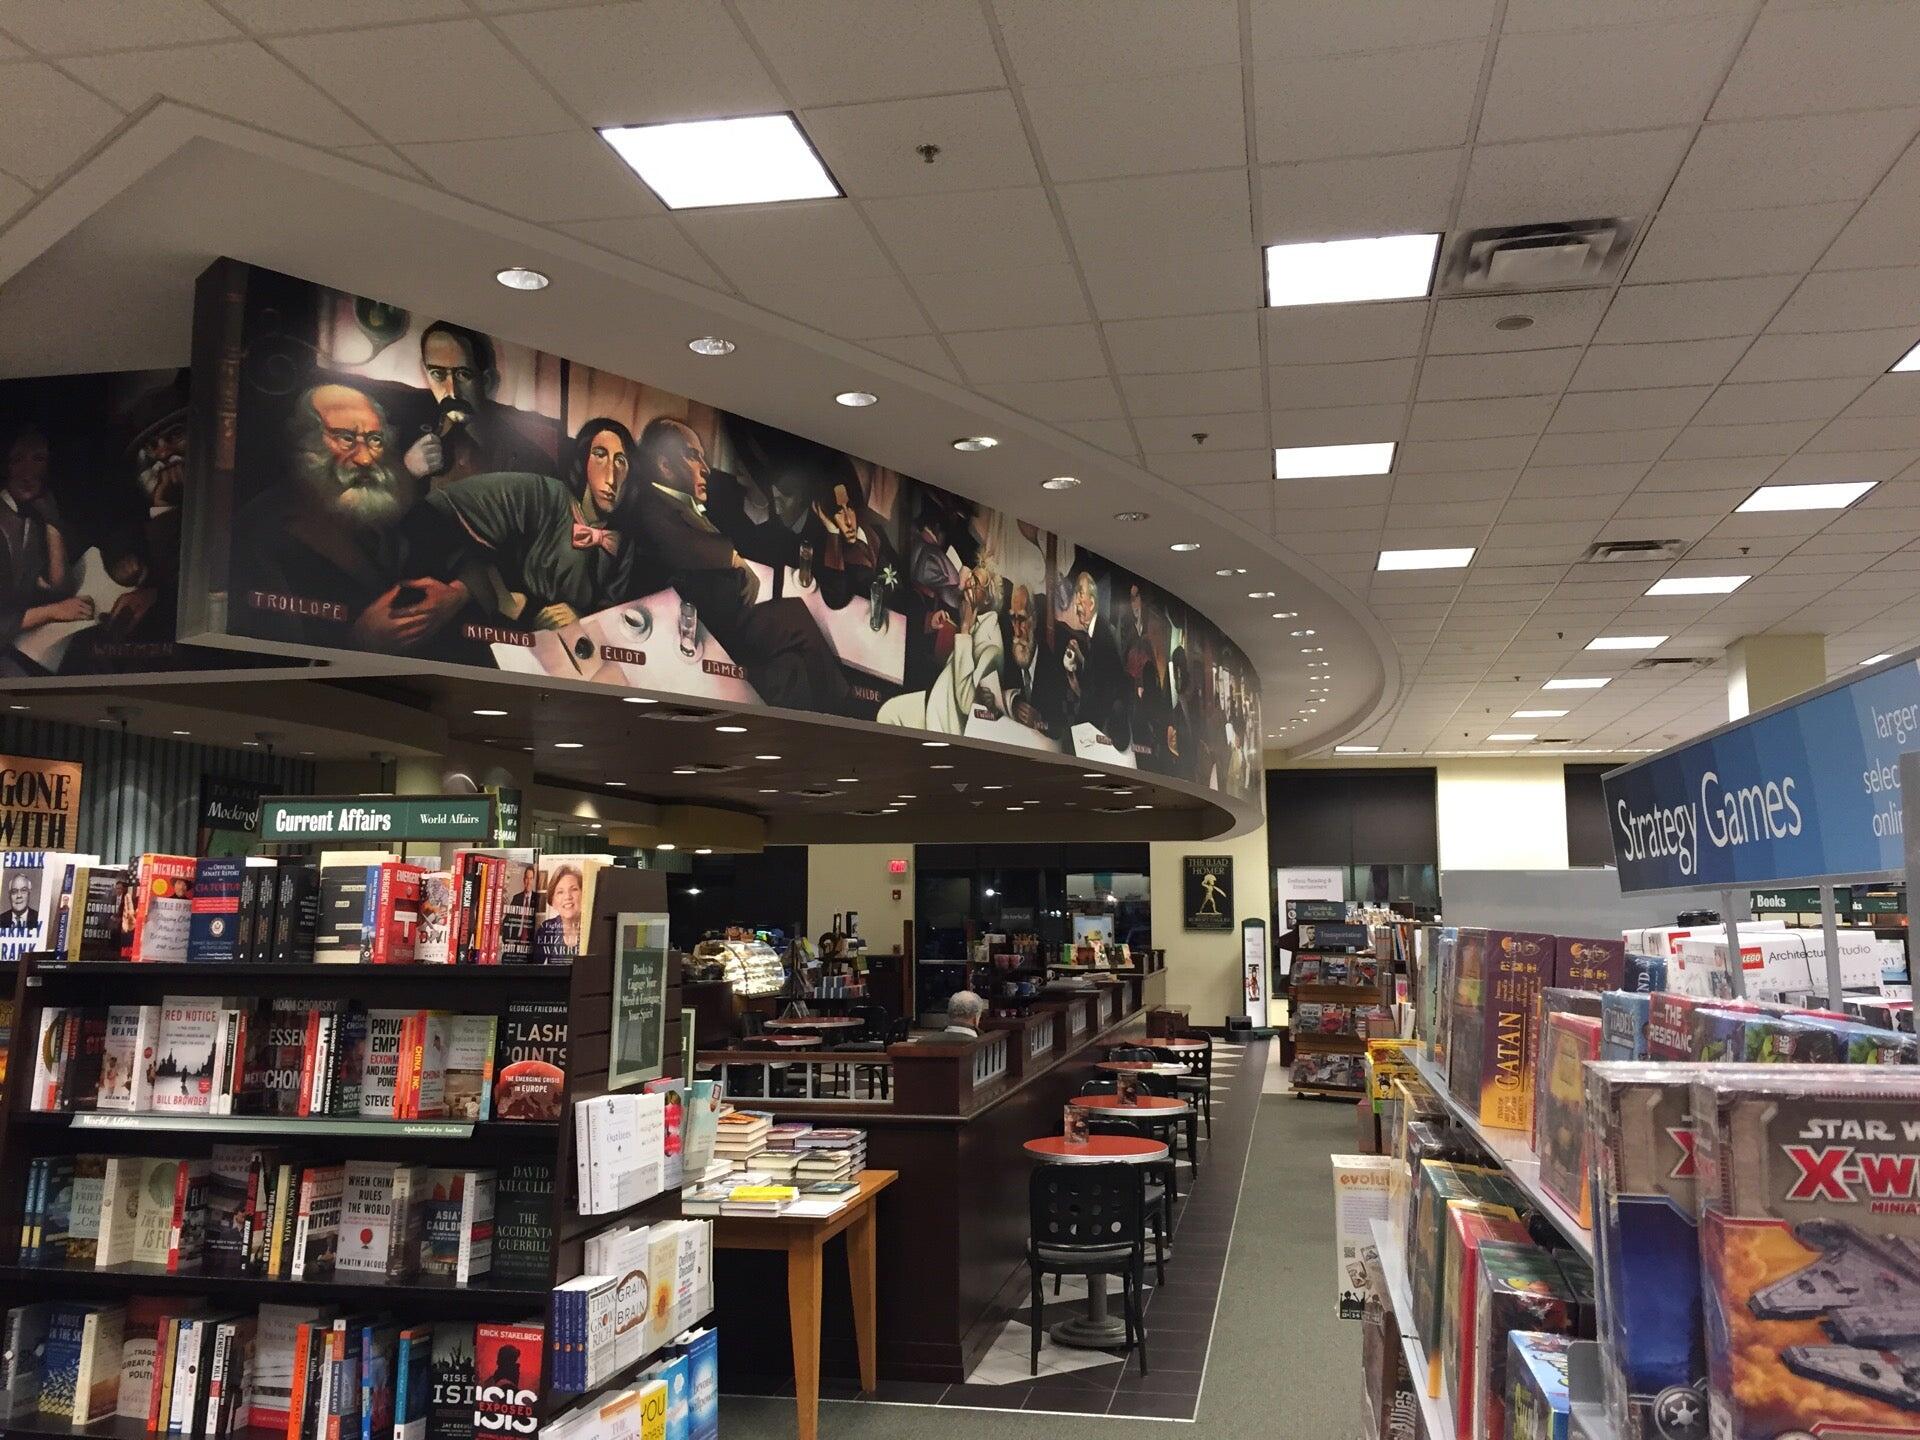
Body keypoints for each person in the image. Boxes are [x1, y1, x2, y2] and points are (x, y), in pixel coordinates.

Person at [624, 417, 863, 715]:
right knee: (791, 650)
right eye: (694, 455)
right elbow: (681, 544)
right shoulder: (652, 505)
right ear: (665, 466)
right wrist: (736, 561)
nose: (706, 467)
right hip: (704, 628)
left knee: (795, 639)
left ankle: (834, 713)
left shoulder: (683, 502)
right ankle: (840, 709)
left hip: (726, 613)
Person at [237, 384, 471, 653]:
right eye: (346, 438)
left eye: (375, 440)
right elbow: (268, 649)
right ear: (306, 442)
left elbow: (472, 558)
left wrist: (456, 596)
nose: (365, 458)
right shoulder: (263, 528)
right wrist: (357, 642)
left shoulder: (384, 502)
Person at [414, 417, 636, 630]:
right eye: (599, 455)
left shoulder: (624, 539)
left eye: (621, 461)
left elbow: (611, 611)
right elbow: (443, 505)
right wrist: (493, 595)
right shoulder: (543, 494)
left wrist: (582, 619)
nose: (611, 478)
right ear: (583, 461)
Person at [399, 322, 558, 487]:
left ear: (487, 381)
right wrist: (409, 471)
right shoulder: (405, 428)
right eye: (437, 374)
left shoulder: (529, 462)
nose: (452, 392)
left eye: (463, 375)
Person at [0, 422, 90, 673]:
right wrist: (51, 612)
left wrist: (52, 521)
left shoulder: (29, 520)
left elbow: (60, 589)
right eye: (17, 460)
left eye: (38, 459)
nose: (27, 472)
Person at [875, 562, 999, 734]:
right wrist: (932, 622)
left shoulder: (989, 638)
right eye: (971, 577)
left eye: (976, 582)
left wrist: (963, 630)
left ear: (987, 599)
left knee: (889, 714)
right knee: (888, 712)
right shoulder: (970, 618)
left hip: (945, 719)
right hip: (937, 702)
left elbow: (967, 702)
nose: (969, 583)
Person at [536, 864, 583, 962]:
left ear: (583, 893)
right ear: (553, 901)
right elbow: (535, 968)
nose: (567, 897)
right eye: (560, 892)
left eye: (574, 889)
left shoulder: (595, 929)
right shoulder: (545, 929)